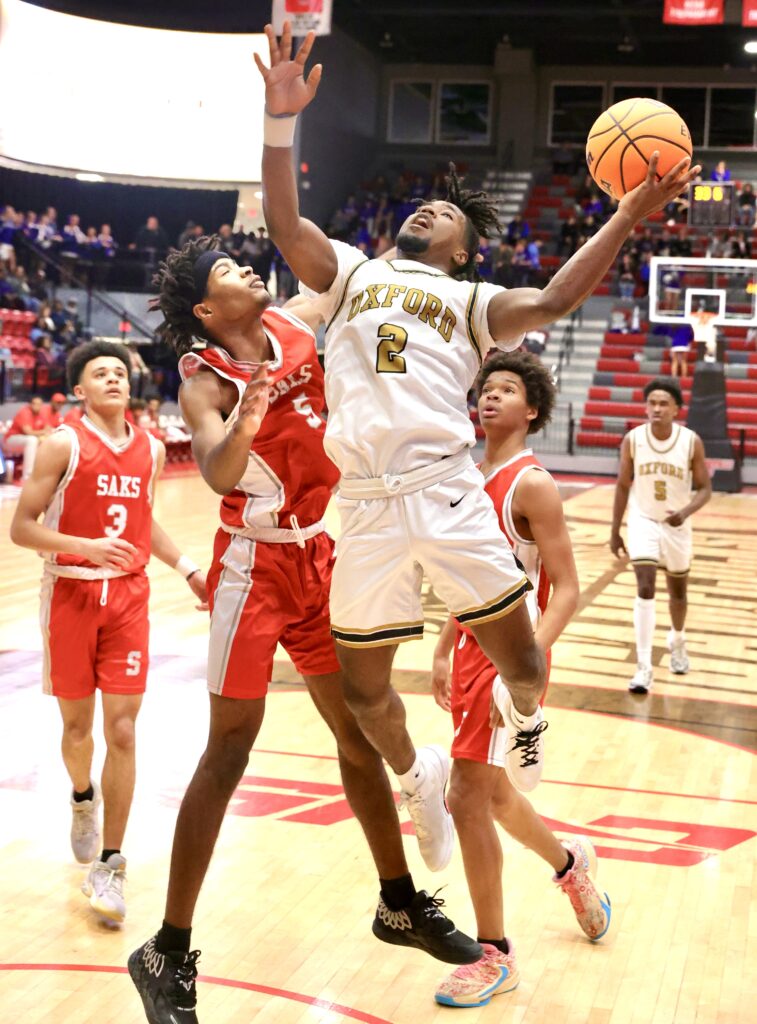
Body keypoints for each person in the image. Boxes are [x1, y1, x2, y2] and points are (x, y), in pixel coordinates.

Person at [255, 21, 698, 805]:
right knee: (363, 694)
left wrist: (626, 214)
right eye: (423, 206)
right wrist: (279, 122)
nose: (428, 212)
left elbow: (554, 299)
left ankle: (525, 717)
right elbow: (286, 225)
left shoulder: (472, 301)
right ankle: (415, 776)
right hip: (364, 502)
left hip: (444, 490)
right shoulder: (350, 273)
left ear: (462, 252)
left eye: (444, 215)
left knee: (522, 665)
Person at [128, 239, 483, 1024]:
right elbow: (216, 471)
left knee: (355, 730)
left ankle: (398, 903)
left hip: (321, 552)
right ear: (206, 311)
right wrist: (246, 421)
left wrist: (429, 243)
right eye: (228, 272)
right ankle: (166, 951)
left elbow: (358, 266)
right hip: (252, 566)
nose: (247, 269)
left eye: (241, 262)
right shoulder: (204, 380)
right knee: (229, 749)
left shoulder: (294, 321)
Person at [430, 350, 610, 1007]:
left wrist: (525, 663)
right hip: (471, 649)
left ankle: (493, 955)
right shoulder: (467, 478)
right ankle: (570, 865)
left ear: (531, 409)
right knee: (497, 796)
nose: (490, 396)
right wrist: (444, 646)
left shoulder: (532, 485)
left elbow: (567, 588)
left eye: (506, 390)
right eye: (486, 388)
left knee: (464, 795)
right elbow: (470, 581)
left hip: (513, 655)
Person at [10, 340, 208, 923]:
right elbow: (22, 528)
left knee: (122, 730)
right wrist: (87, 546)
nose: (114, 379)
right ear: (80, 389)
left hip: (127, 596)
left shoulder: (150, 448)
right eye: (101, 373)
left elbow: (145, 523)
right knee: (77, 729)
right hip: (69, 592)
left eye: (120, 371)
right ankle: (81, 797)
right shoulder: (62, 444)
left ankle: (111, 863)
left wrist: (189, 569)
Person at [610, 378, 711, 693]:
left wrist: (686, 511)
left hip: (677, 524)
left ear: (676, 409)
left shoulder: (691, 441)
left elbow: (705, 488)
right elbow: (622, 485)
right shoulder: (633, 439)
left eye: (663, 403)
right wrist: (614, 530)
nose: (657, 408)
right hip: (643, 520)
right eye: (652, 402)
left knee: (678, 591)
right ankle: (644, 667)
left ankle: (677, 640)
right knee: (645, 586)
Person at [4, 395, 52, 479]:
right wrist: (44, 432)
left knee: (48, 440)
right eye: (35, 403)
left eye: (39, 404)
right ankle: (28, 476)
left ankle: (44, 474)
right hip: (11, 440)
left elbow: (48, 428)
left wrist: (46, 433)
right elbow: (28, 432)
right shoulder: (24, 412)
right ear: (30, 404)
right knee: (32, 440)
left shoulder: (42, 413)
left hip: (28, 441)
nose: (37, 406)